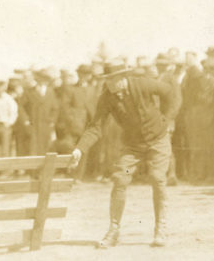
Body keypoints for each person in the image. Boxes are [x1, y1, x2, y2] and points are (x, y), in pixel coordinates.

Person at [70, 61, 180, 249]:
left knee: (157, 177)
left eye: (114, 79)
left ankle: (161, 228)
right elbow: (96, 127)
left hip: (158, 141)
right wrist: (79, 149)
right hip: (133, 147)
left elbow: (171, 93)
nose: (110, 84)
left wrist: (168, 118)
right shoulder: (106, 97)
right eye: (107, 80)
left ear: (124, 77)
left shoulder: (142, 83)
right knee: (121, 178)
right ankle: (114, 230)